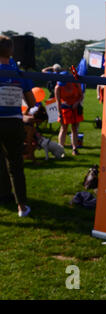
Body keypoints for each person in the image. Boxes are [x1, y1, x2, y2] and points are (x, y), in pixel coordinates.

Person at [0, 35, 35, 217]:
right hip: (14, 122)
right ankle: (21, 206)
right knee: (16, 165)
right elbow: (31, 101)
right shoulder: (19, 72)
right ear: (11, 51)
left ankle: (5, 194)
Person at [55, 71, 84, 156]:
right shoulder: (58, 87)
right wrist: (60, 114)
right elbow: (58, 102)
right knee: (64, 128)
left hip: (75, 108)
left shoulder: (75, 83)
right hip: (65, 109)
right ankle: (60, 150)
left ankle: (75, 149)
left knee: (74, 128)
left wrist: (77, 103)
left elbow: (81, 96)